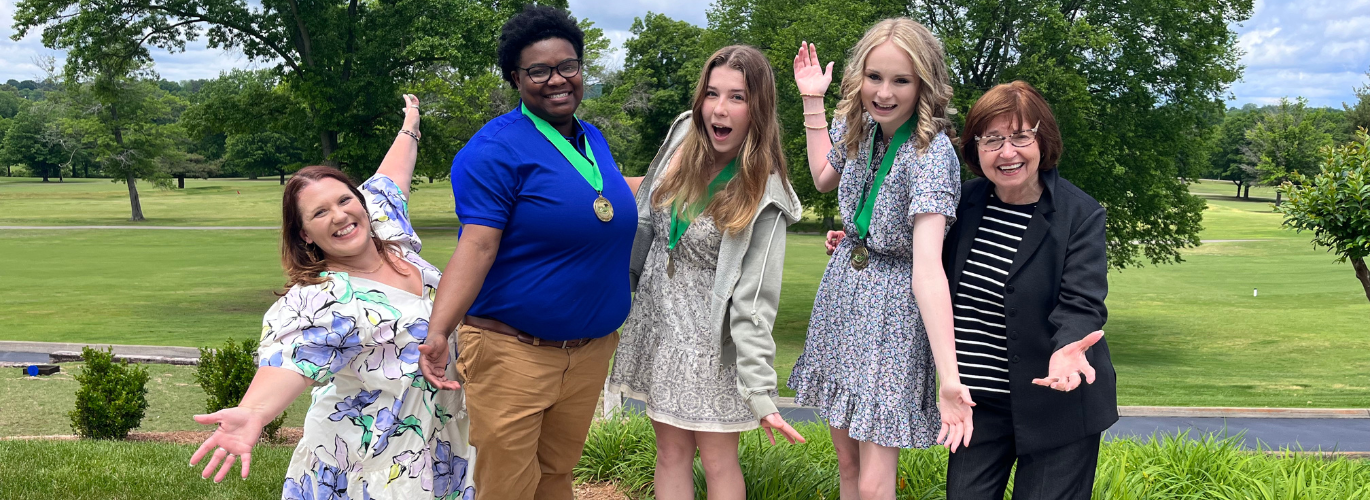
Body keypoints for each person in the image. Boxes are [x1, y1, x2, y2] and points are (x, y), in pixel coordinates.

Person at [190, 95, 478, 500]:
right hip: (374, 460)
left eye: (344, 200)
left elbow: (392, 176)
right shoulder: (323, 299)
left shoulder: (386, 231)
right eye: (319, 213)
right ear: (305, 233)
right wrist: (254, 412)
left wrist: (411, 120)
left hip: (442, 440)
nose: (340, 216)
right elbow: (288, 359)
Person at [414, 5, 635, 500]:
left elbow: (602, 197)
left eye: (568, 66)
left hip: (588, 352)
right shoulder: (493, 150)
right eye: (539, 70)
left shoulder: (591, 138)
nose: (557, 80)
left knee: (557, 477)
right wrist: (438, 331)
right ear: (516, 77)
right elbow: (477, 244)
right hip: (512, 354)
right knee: (508, 488)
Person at [606, 45, 807, 500]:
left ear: (758, 107)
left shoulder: (766, 193)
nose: (719, 108)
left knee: (718, 462)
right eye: (712, 93)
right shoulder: (682, 134)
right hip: (660, 330)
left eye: (737, 97)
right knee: (669, 454)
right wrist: (612, 296)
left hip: (710, 345)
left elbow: (755, 301)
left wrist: (760, 391)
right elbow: (643, 226)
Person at [788, 18, 975, 500]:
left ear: (923, 83)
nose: (884, 92)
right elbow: (822, 178)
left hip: (892, 313)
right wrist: (813, 100)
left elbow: (928, 269)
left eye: (901, 80)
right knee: (847, 465)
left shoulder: (931, 154)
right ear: (859, 76)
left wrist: (948, 377)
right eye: (875, 77)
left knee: (875, 483)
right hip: (844, 293)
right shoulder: (857, 123)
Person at [941, 80, 1115, 500]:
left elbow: (1082, 302)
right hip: (979, 406)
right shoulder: (959, 205)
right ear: (974, 146)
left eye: (1021, 136)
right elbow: (923, 265)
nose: (1007, 152)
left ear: (1044, 140)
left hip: (1059, 405)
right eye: (993, 139)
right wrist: (857, 243)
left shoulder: (1080, 214)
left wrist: (1069, 347)